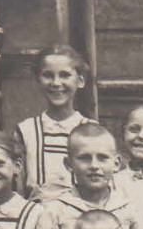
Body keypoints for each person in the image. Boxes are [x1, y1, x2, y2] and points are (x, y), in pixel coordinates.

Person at [14, 44, 90, 198]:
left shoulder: (90, 130)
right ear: (38, 80)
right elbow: (18, 190)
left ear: (80, 80)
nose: (56, 83)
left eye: (64, 75)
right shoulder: (26, 131)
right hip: (37, 215)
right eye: (48, 75)